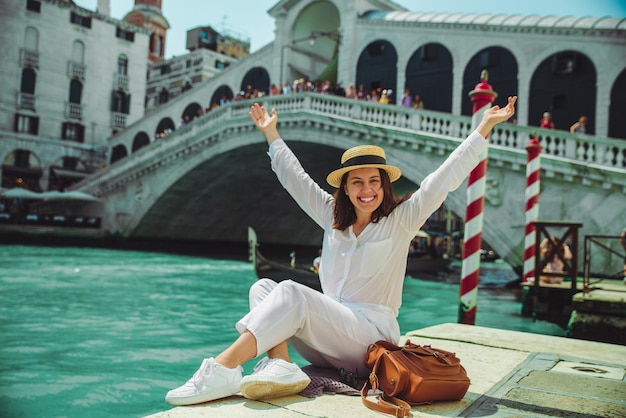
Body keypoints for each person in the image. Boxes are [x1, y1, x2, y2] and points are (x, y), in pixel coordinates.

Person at [164, 95, 517, 406]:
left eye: (374, 181)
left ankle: (223, 369)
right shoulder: (332, 218)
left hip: (371, 341)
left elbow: (444, 178)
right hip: (333, 336)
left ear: (384, 185)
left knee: (289, 292)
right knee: (263, 288)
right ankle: (282, 364)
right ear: (345, 189)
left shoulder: (401, 221)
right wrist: (272, 134)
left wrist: (483, 127)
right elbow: (296, 179)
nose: (367, 190)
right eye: (358, 182)